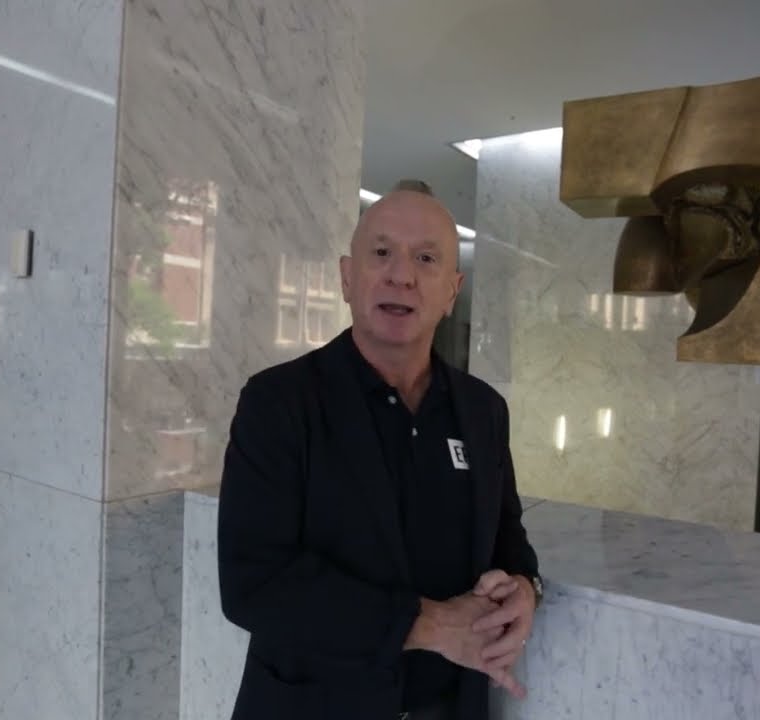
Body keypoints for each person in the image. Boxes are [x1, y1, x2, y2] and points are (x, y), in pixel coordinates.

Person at [217, 180, 542, 719]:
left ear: (452, 291)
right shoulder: (278, 403)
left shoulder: (483, 411)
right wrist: (434, 626)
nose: (402, 275)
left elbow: (508, 538)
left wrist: (526, 589)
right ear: (348, 277)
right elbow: (253, 583)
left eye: (426, 259)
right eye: (382, 252)